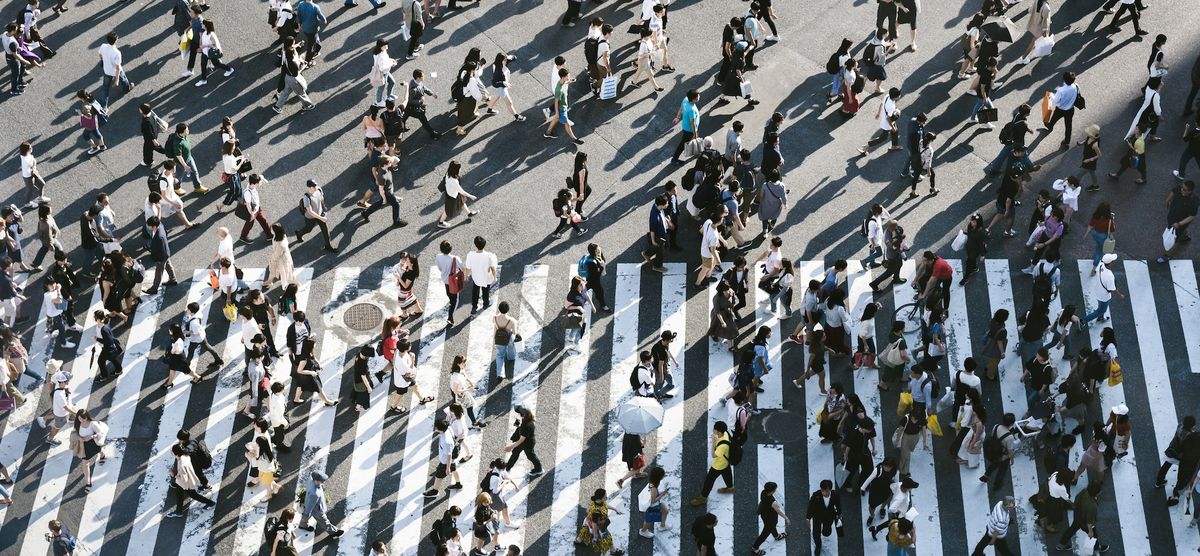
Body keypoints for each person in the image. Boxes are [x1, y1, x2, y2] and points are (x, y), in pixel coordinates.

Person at [689, 421, 734, 506]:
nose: (713, 431)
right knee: (727, 473)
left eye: (715, 430)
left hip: (718, 465)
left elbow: (713, 455)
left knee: (709, 481)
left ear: (719, 432)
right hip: (725, 462)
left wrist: (713, 442)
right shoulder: (726, 434)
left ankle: (703, 498)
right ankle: (730, 488)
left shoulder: (722, 446)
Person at [1055, 481, 1108, 552]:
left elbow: (1077, 498)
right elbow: (1089, 521)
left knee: (1072, 529)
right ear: (1098, 493)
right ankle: (1096, 547)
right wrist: (1090, 531)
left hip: (1078, 516)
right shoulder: (1092, 506)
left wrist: (1075, 506)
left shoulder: (1084, 491)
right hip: (1084, 522)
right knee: (1094, 536)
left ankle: (1061, 544)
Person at [1158, 180, 1198, 263]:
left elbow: (1191, 216)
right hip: (1172, 217)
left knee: (1171, 238)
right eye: (1182, 188)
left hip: (1179, 223)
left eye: (1184, 190)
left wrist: (1179, 224)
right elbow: (1173, 191)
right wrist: (1168, 200)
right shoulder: (1180, 189)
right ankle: (1184, 237)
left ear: (1190, 191)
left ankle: (1167, 255)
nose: (1181, 190)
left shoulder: (1193, 201)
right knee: (1180, 232)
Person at [274, 37, 316, 114]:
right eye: (293, 43)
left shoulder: (284, 50)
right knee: (301, 92)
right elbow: (296, 73)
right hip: (294, 79)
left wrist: (298, 45)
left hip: (287, 76)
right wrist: (303, 64)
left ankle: (277, 106)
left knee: (286, 92)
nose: (294, 44)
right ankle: (307, 105)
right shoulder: (292, 62)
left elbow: (292, 47)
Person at [545, 67, 585, 145]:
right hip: (561, 109)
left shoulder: (562, 82)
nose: (569, 77)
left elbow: (565, 83)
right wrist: (557, 113)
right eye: (568, 76)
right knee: (567, 124)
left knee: (556, 119)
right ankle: (574, 139)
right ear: (563, 77)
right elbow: (556, 102)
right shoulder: (558, 90)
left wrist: (570, 81)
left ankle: (548, 132)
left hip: (564, 107)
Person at [436, 161, 479, 229]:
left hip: (453, 194)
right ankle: (440, 223)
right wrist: (471, 196)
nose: (460, 169)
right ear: (456, 170)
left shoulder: (448, 174)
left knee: (462, 202)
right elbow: (462, 192)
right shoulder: (454, 181)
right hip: (452, 197)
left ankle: (469, 213)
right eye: (459, 168)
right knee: (447, 211)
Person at [300, 471, 344, 537]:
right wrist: (305, 515)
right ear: (316, 480)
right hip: (317, 509)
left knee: (307, 516)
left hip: (310, 502)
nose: (323, 482)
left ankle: (303, 525)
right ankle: (334, 532)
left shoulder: (311, 479)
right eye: (321, 480)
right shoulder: (315, 494)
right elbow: (310, 507)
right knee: (324, 521)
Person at [750, 481, 789, 555]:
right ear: (772, 491)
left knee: (772, 527)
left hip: (764, 515)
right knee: (765, 534)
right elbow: (779, 512)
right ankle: (755, 548)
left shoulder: (763, 493)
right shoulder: (773, 502)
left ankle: (776, 536)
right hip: (771, 518)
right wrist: (786, 518)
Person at [860, 88, 902, 156]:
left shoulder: (887, 96)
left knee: (895, 131)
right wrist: (892, 127)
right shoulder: (891, 106)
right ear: (895, 97)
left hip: (885, 118)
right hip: (887, 124)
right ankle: (866, 146)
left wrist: (878, 113)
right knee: (883, 138)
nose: (900, 96)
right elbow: (888, 118)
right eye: (899, 95)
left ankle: (894, 145)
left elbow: (881, 104)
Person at [981, 413, 1017, 489]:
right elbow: (1010, 453)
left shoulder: (996, 426)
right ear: (1011, 423)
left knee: (993, 464)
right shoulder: (1009, 438)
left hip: (992, 451)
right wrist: (1011, 459)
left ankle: (986, 476)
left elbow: (992, 437)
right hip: (1002, 455)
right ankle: (997, 485)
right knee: (1001, 471)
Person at [504, 406, 543, 477]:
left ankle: (539, 469)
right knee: (515, 452)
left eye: (519, 413)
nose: (519, 414)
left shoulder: (526, 425)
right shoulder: (529, 418)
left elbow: (522, 439)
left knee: (530, 456)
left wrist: (510, 447)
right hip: (527, 441)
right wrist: (518, 426)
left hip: (527, 444)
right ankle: (508, 467)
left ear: (523, 414)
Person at [1084, 253, 1124, 323]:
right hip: (1104, 296)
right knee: (1101, 310)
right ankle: (1083, 321)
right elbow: (1112, 289)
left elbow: (1095, 271)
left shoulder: (1100, 265)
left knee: (1100, 307)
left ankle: (1101, 317)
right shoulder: (1110, 276)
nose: (1114, 261)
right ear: (1110, 263)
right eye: (1113, 261)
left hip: (1097, 291)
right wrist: (1120, 295)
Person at [806, 479, 842, 555]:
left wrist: (839, 513)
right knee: (816, 533)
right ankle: (818, 546)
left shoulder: (835, 495)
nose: (824, 493)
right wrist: (808, 518)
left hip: (829, 516)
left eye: (826, 491)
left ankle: (826, 531)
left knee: (827, 532)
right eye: (823, 491)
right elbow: (811, 507)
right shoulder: (816, 495)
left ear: (830, 490)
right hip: (817, 516)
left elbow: (838, 505)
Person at [144, 216, 178, 295]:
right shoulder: (160, 226)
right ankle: (173, 279)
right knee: (168, 265)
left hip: (161, 256)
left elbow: (159, 249)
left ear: (154, 226)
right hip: (165, 253)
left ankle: (154, 289)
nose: (148, 227)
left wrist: (157, 259)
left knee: (158, 272)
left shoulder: (159, 237)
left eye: (149, 226)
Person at [196, 20, 234, 86]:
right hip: (205, 52)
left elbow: (214, 45)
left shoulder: (211, 35)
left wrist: (205, 46)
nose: (201, 24)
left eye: (203, 24)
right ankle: (203, 80)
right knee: (203, 65)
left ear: (206, 26)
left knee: (217, 64)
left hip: (211, 53)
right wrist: (201, 47)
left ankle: (229, 69)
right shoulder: (205, 32)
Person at [670, 89, 701, 164]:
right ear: (694, 99)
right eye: (697, 96)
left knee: (687, 141)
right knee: (682, 144)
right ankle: (674, 159)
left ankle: (697, 150)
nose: (699, 96)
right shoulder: (692, 110)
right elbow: (692, 123)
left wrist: (678, 117)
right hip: (690, 130)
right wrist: (695, 133)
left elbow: (681, 108)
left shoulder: (686, 99)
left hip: (685, 126)